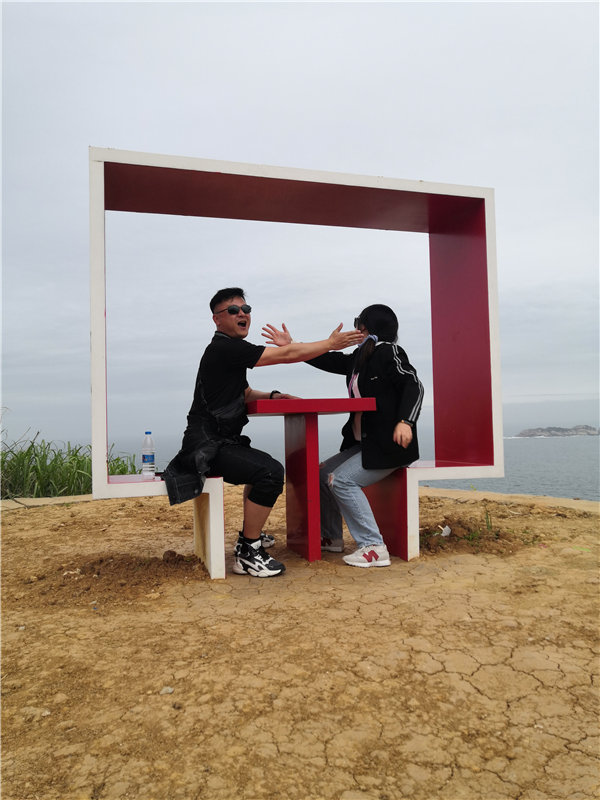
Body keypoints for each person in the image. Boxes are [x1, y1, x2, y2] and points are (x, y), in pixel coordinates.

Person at [164, 287, 363, 579]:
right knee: (270, 472)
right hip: (207, 447)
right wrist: (330, 344)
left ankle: (249, 537)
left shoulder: (228, 351)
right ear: (217, 319)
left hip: (219, 441)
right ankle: (248, 551)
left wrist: (273, 395)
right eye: (233, 310)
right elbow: (286, 355)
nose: (242, 314)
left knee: (259, 465)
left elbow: (243, 392)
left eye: (246, 309)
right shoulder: (224, 348)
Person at [263, 303, 423, 568]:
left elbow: (414, 384)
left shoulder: (389, 351)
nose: (355, 327)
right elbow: (328, 360)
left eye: (359, 322)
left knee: (341, 481)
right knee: (320, 474)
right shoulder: (360, 358)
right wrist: (292, 345)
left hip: (390, 445)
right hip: (365, 445)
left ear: (368, 327)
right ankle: (331, 537)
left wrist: (406, 422)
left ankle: (373, 546)